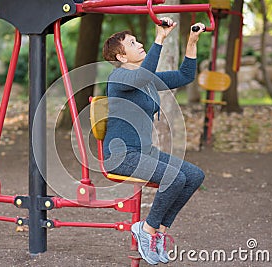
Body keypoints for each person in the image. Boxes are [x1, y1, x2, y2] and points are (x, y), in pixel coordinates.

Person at [102, 17, 206, 265]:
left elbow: (184, 75)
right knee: (174, 177)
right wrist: (160, 37)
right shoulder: (118, 78)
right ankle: (146, 230)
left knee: (194, 176)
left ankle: (157, 232)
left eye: (138, 41)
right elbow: (142, 75)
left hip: (144, 152)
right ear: (121, 57)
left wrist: (192, 41)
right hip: (122, 157)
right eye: (132, 43)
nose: (139, 44)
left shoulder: (146, 81)